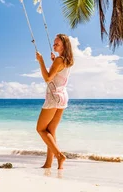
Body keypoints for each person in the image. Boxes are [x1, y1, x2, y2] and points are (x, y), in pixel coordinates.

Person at [35, 33, 74, 170]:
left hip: (53, 97)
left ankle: (59, 155)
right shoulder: (67, 60)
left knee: (40, 129)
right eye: (54, 43)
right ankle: (48, 164)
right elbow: (59, 74)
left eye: (57, 44)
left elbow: (48, 78)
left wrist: (41, 61)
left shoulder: (59, 60)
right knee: (51, 131)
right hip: (63, 96)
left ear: (64, 45)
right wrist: (53, 62)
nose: (54, 45)